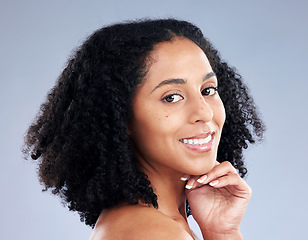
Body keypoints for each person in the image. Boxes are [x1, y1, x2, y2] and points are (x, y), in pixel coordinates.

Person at [23, 18, 264, 239]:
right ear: (122, 117)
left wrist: (222, 232)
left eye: (208, 90)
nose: (205, 112)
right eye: (172, 97)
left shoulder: (156, 223)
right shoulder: (152, 233)